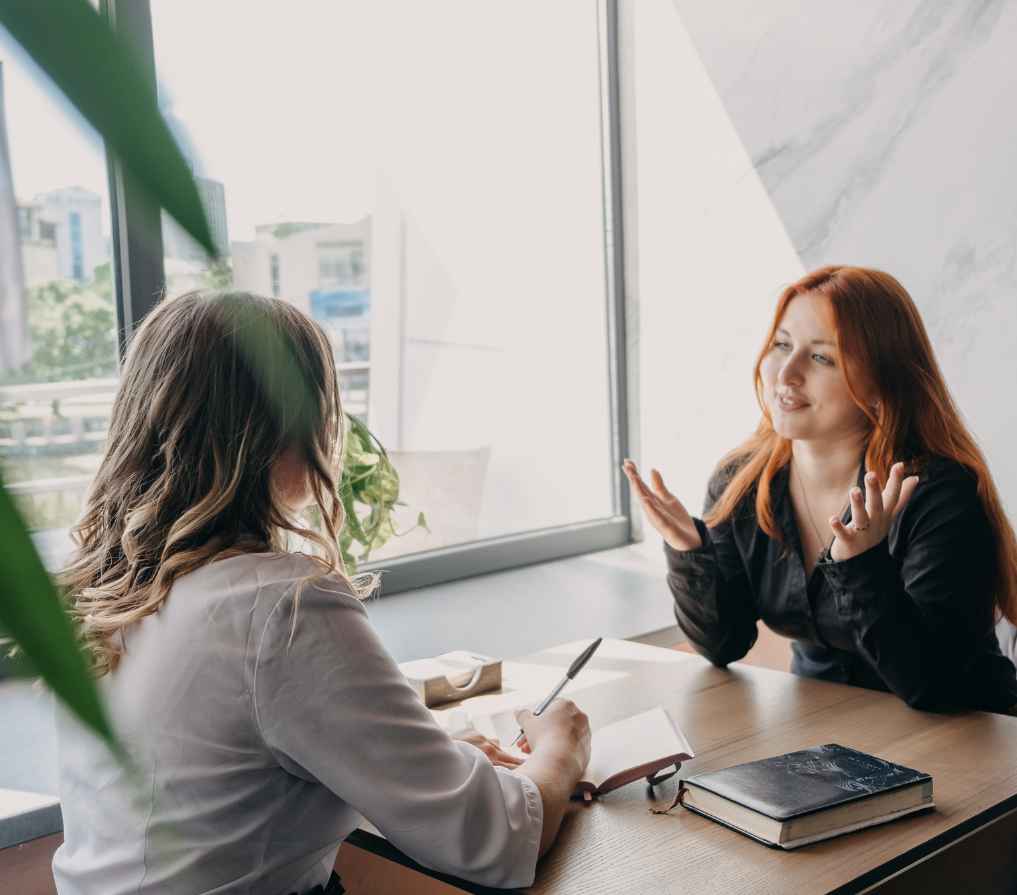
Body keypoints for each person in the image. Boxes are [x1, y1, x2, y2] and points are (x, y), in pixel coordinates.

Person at [52, 291, 590, 894]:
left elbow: (222, 779)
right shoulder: (280, 606)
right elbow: (493, 838)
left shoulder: (109, 589)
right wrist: (562, 747)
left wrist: (415, 759)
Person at [624, 265, 1017, 714]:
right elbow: (724, 644)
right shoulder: (741, 483)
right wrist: (689, 551)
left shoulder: (937, 495)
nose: (786, 374)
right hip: (826, 734)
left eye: (821, 357)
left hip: (974, 738)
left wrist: (863, 567)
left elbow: (934, 685)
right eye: (782, 344)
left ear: (880, 385)